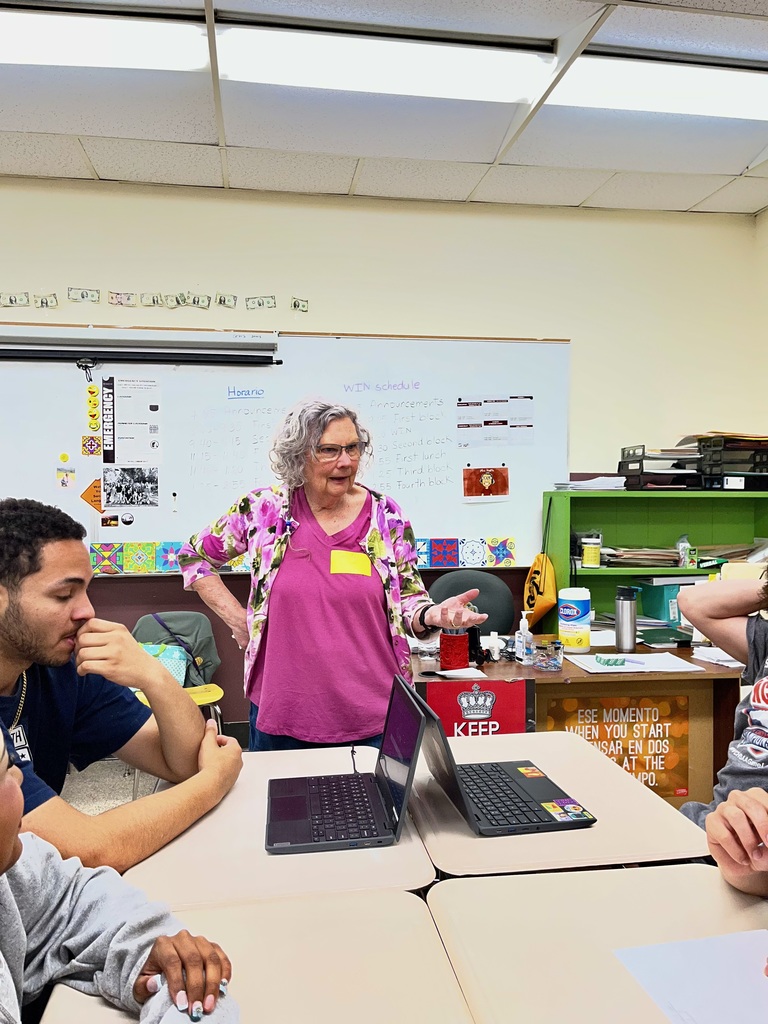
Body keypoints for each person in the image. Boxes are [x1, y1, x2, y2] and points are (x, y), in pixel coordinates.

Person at [180, 399, 487, 752]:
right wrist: (238, 619)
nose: (346, 461)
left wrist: (430, 615)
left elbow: (409, 597)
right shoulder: (263, 511)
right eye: (329, 450)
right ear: (298, 455)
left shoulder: (385, 515)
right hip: (284, 713)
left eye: (353, 448)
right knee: (282, 807)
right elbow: (194, 557)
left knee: (380, 807)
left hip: (375, 714)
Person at [0, 498, 242, 874]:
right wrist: (215, 781)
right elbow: (88, 850)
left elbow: (182, 761)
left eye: (86, 591)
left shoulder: (59, 669)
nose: (87, 611)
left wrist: (152, 673)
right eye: (64, 595)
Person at [0, 730, 238, 1023]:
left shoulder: (15, 876)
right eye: (4, 767)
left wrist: (148, 955)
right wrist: (214, 780)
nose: (20, 776)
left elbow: (73, 901)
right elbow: (96, 848)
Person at [677, 576, 768, 895]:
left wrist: (745, 868)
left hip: (746, 846)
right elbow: (692, 602)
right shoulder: (765, 643)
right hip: (706, 823)